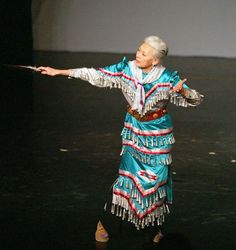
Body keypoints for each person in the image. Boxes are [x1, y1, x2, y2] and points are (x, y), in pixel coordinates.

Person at [37, 35, 203, 244]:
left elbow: (194, 99)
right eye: (139, 50)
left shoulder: (167, 78)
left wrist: (184, 91)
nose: (138, 54)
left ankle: (151, 228)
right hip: (134, 132)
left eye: (144, 53)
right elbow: (96, 74)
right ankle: (106, 224)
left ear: (155, 60)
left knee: (155, 184)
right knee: (128, 182)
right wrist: (60, 71)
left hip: (157, 136)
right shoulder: (127, 69)